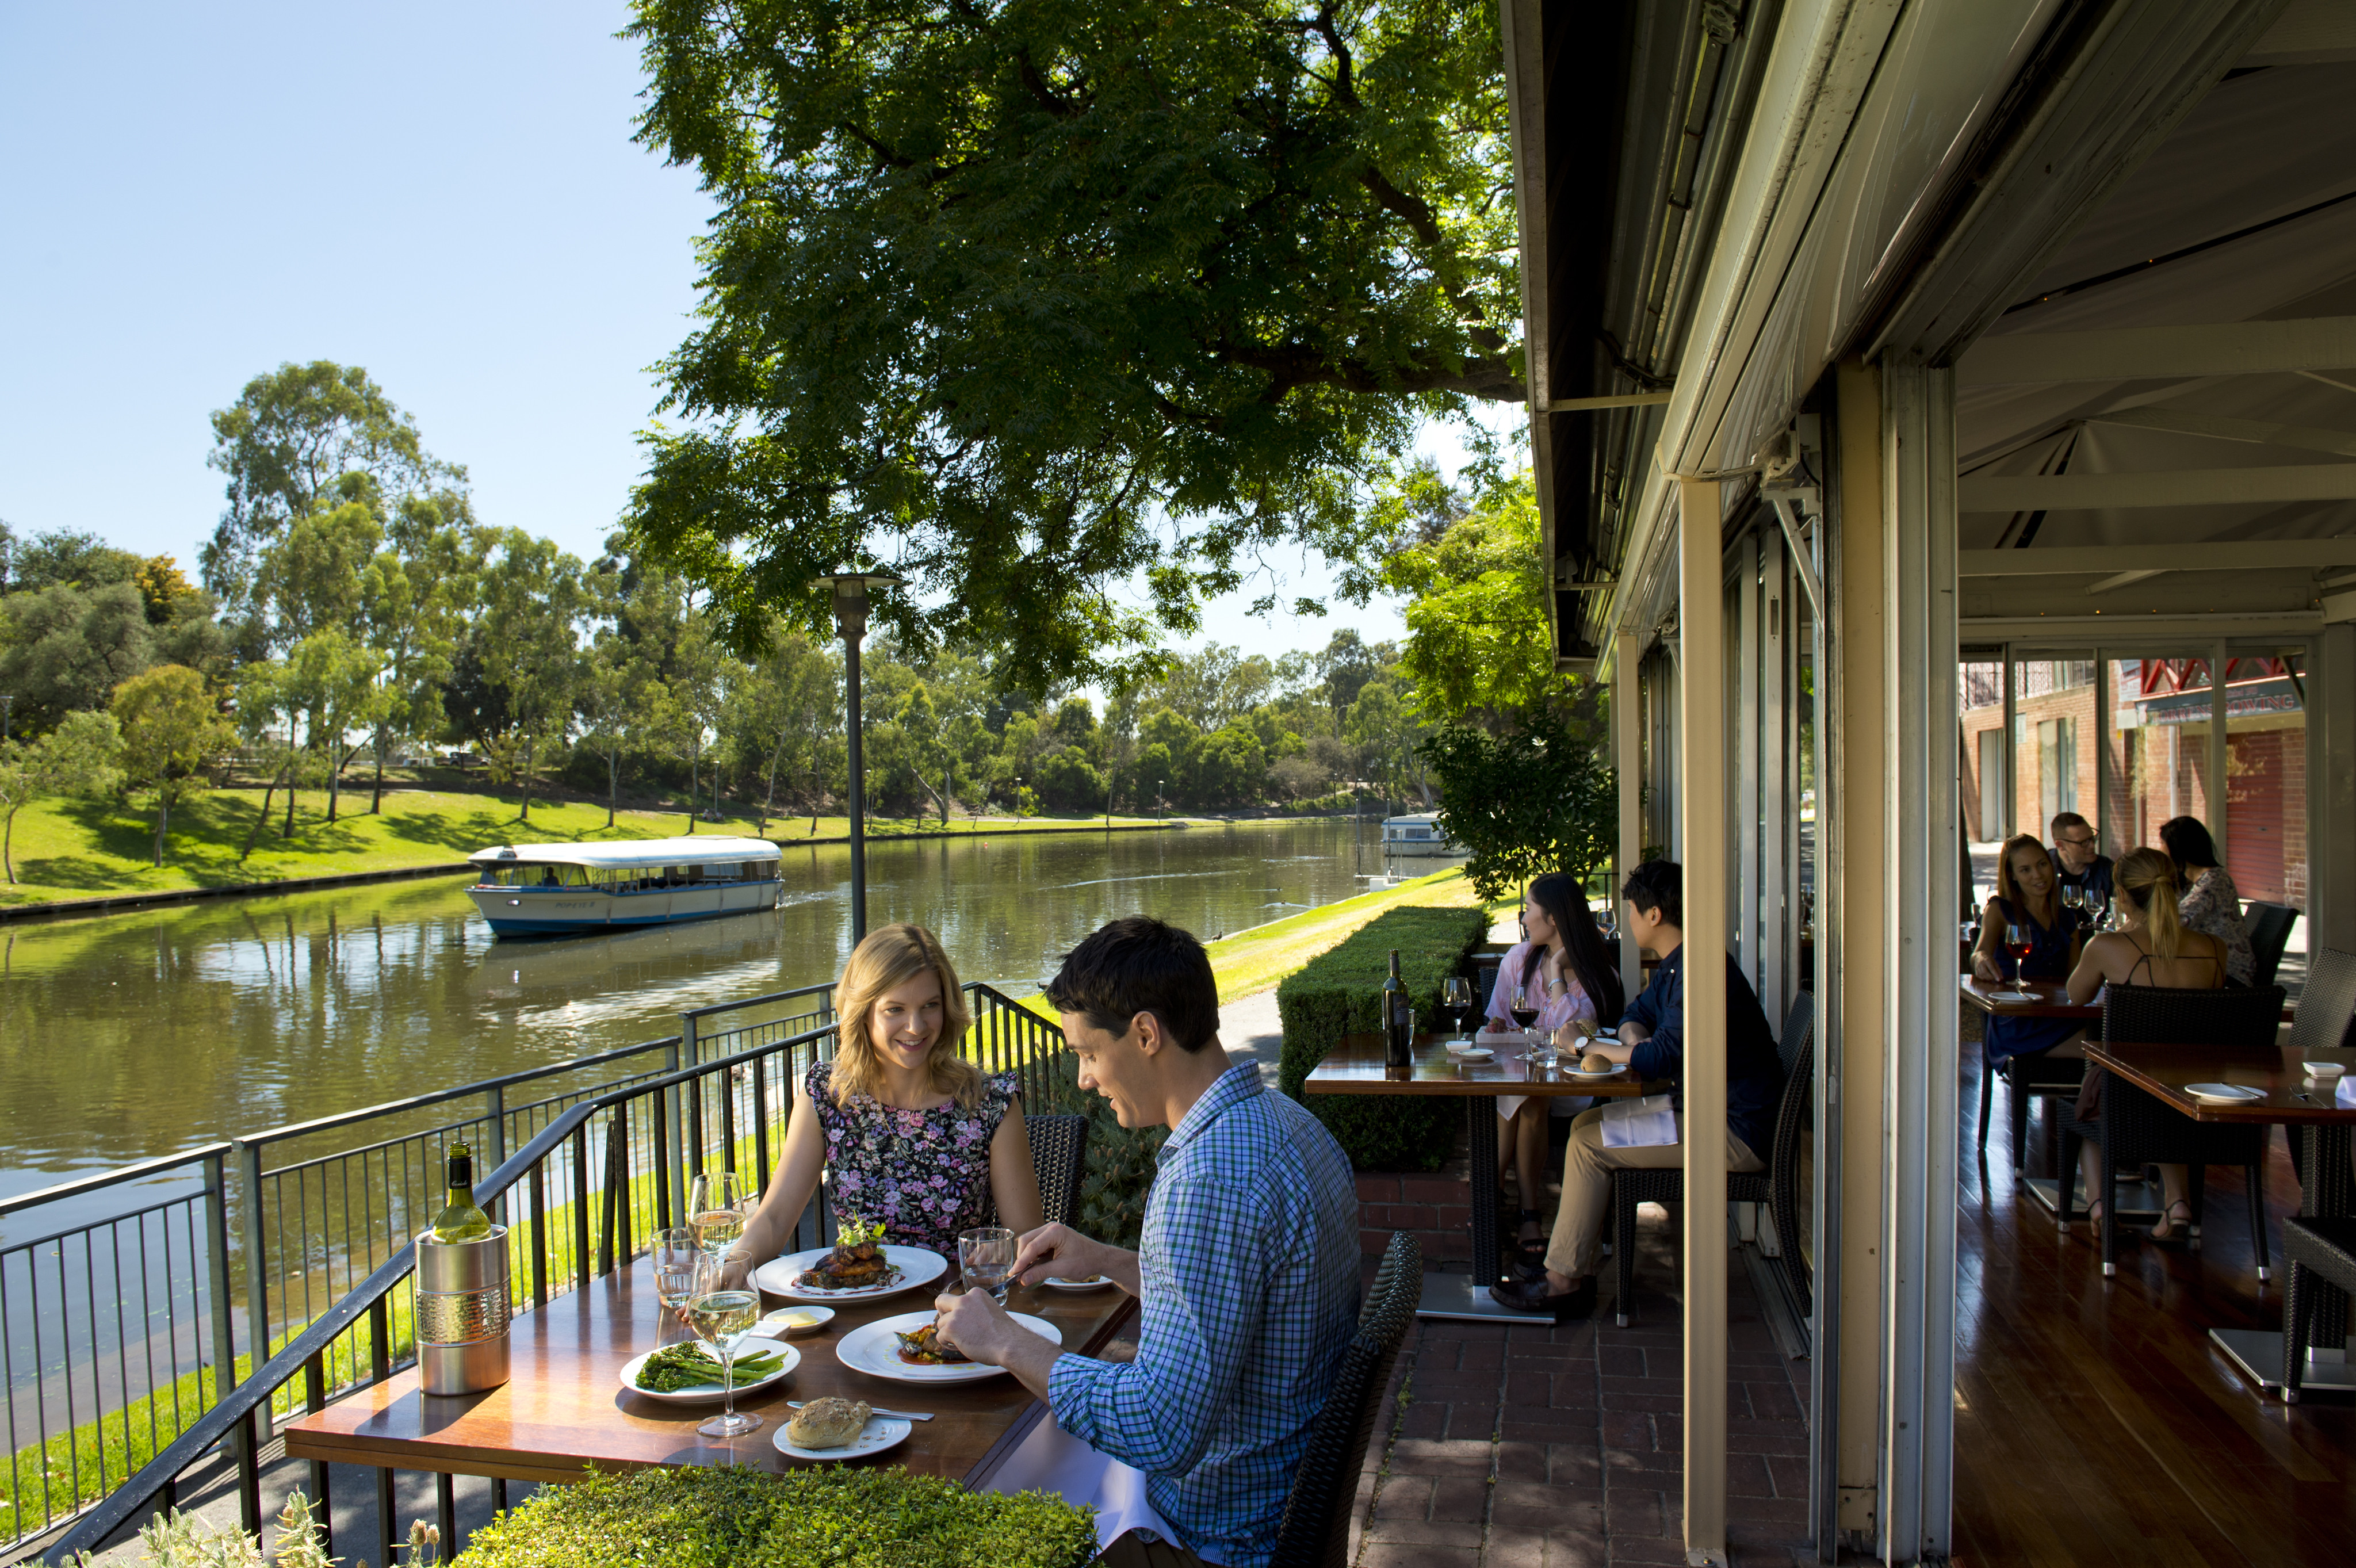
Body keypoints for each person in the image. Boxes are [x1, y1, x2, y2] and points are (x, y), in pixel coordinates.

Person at [934, 916, 1359, 1568]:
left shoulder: (1208, 1178)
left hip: (1219, 1536)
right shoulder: (1285, 1121)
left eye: (1086, 1052)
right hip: (1280, 1495)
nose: (1083, 1078)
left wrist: (1004, 1341)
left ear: (1144, 1032)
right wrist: (1108, 1260)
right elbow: (1243, 1294)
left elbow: (1160, 1428)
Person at [1489, 861, 1784, 1320]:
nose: (1625, 919)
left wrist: (1589, 1044)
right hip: (1709, 1113)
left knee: (1587, 1143)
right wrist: (1634, 1040)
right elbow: (1633, 1017)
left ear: (1654, 916)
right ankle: (1574, 1267)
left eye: (1630, 909)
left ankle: (1564, 1279)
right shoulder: (1677, 969)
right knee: (1588, 1124)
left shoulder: (1700, 972)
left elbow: (1659, 1058)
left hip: (1734, 1130)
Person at [719, 923, 1043, 1286]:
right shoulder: (828, 1096)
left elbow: (1025, 1240)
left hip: (957, 1312)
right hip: (851, 1310)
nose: (916, 1026)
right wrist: (734, 1263)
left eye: (930, 1006)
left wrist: (1000, 1254)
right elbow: (776, 1217)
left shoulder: (989, 1103)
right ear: (864, 1012)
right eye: (895, 1009)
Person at [2060, 846, 2230, 1243]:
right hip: (2194, 1091)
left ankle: (2100, 1204)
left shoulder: (2108, 946)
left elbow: (2077, 995)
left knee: (2090, 1105)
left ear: (2121, 894)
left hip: (2128, 1090)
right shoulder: (2215, 950)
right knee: (2165, 1090)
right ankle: (2178, 1204)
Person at [1485, 872, 1624, 1278]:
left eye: (1529, 910)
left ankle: (1491, 1203)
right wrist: (1496, 1028)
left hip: (1574, 1085)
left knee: (1531, 1096)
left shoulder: (1599, 976)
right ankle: (1528, 1212)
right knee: (1527, 1096)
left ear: (1555, 919)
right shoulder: (1517, 959)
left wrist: (1557, 974)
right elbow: (1497, 1020)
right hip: (1523, 1079)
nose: (1524, 919)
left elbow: (1578, 1035)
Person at [1972, 833, 2087, 1066]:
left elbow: (2076, 979)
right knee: (2105, 1051)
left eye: (2042, 865)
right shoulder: (2000, 910)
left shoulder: (2067, 917)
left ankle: (2079, 1101)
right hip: (2018, 1024)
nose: (2038, 875)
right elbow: (1978, 954)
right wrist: (1982, 959)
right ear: (2012, 875)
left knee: (2111, 1038)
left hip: (2059, 1017)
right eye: (2025, 870)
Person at [2159, 815, 2255, 985]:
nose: (2161, 850)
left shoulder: (2214, 881)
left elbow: (2177, 922)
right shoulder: (2187, 882)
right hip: (2204, 966)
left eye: (2163, 844)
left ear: (2179, 848)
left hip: (2229, 976)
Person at [2048, 811, 2113, 909]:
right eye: (2083, 842)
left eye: (2092, 838)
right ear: (2060, 845)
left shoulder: (2108, 870)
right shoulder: (2043, 868)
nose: (2092, 845)